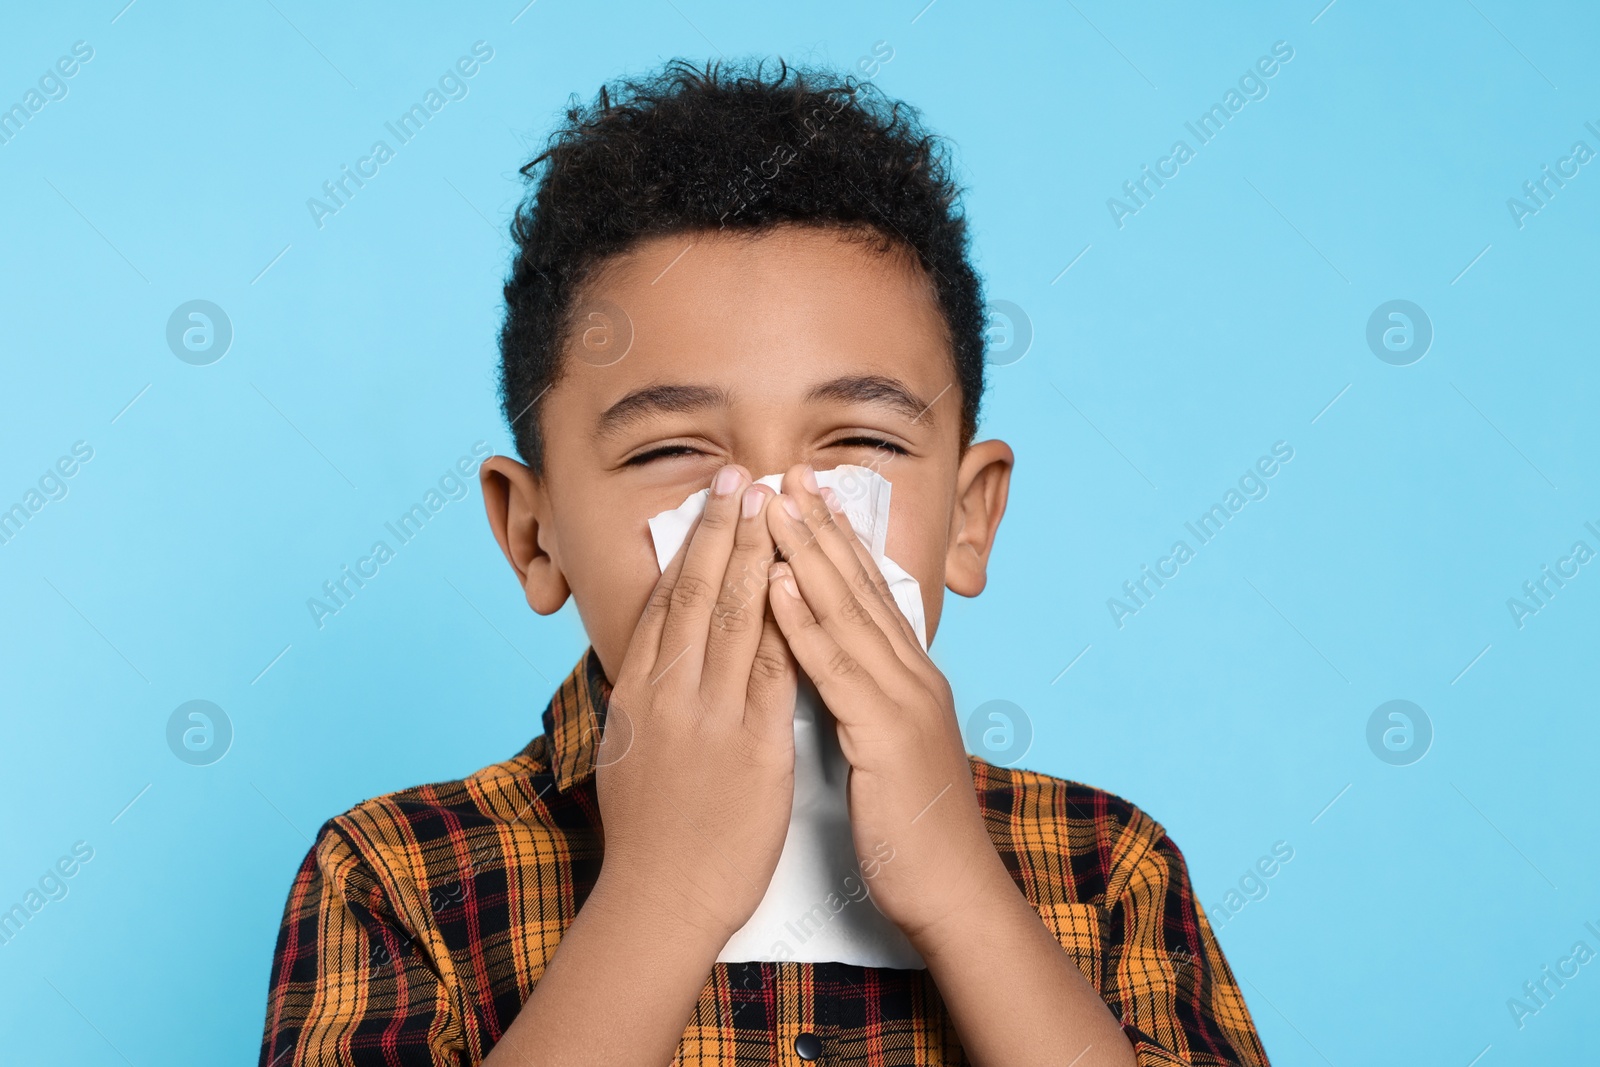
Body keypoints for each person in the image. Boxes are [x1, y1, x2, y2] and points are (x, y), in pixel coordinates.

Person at [259, 60, 1270, 1067]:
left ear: (970, 516)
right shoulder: (397, 875)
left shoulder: (1105, 867)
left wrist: (961, 892)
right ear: (534, 532)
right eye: (670, 453)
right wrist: (661, 897)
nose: (777, 518)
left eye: (859, 442)